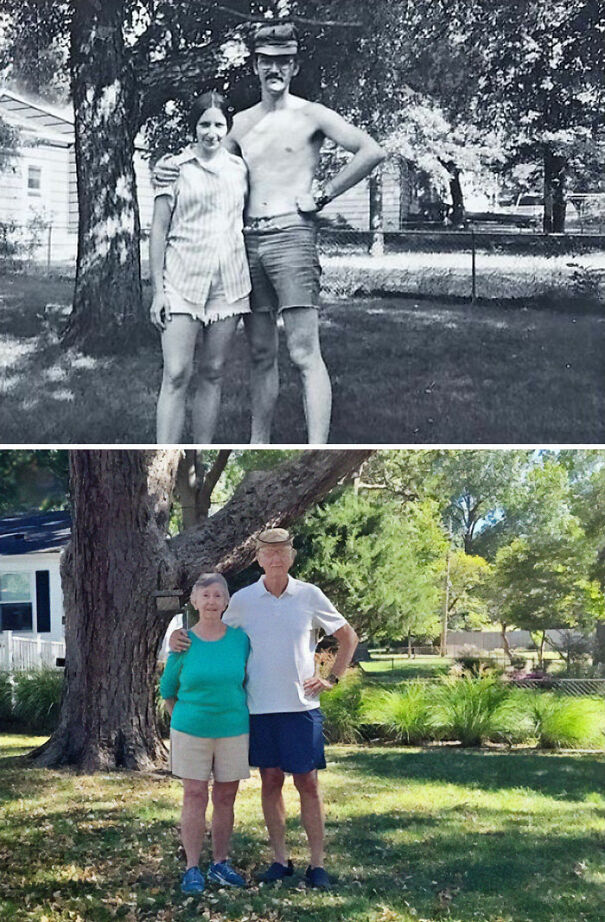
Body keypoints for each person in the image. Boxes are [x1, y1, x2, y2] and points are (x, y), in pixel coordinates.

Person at [154, 22, 385, 444]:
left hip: (292, 236)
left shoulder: (312, 114)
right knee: (261, 353)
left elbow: (371, 150)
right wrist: (167, 164)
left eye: (283, 61)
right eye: (267, 61)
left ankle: (317, 449)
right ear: (256, 65)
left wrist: (326, 193)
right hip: (246, 245)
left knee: (303, 352)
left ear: (293, 66)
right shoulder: (239, 124)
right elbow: (204, 159)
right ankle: (258, 441)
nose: (274, 69)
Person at [169, 528, 358, 890]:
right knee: (270, 782)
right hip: (257, 710)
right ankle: (280, 860)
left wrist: (332, 678)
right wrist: (178, 637)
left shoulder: (310, 595)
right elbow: (211, 630)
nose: (274, 558)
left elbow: (348, 637)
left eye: (281, 552)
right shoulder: (241, 600)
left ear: (291, 557)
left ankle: (317, 864)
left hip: (300, 708)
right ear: (258, 558)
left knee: (308, 783)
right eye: (267, 553)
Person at [150, 91, 251, 443]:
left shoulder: (239, 169)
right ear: (193, 127)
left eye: (218, 124)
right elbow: (159, 231)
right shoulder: (173, 169)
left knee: (213, 371)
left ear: (228, 127)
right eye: (204, 124)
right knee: (176, 373)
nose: (211, 132)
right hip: (182, 280)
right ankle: (165, 454)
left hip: (229, 282)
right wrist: (158, 292)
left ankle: (199, 455)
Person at [160, 572, 250, 894]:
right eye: (205, 595)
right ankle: (192, 868)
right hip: (191, 731)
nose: (212, 601)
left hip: (233, 730)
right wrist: (184, 720)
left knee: (226, 797)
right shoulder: (183, 642)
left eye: (218, 596)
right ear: (195, 602)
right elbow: (167, 689)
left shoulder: (241, 640)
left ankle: (220, 864)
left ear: (227, 602)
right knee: (194, 796)